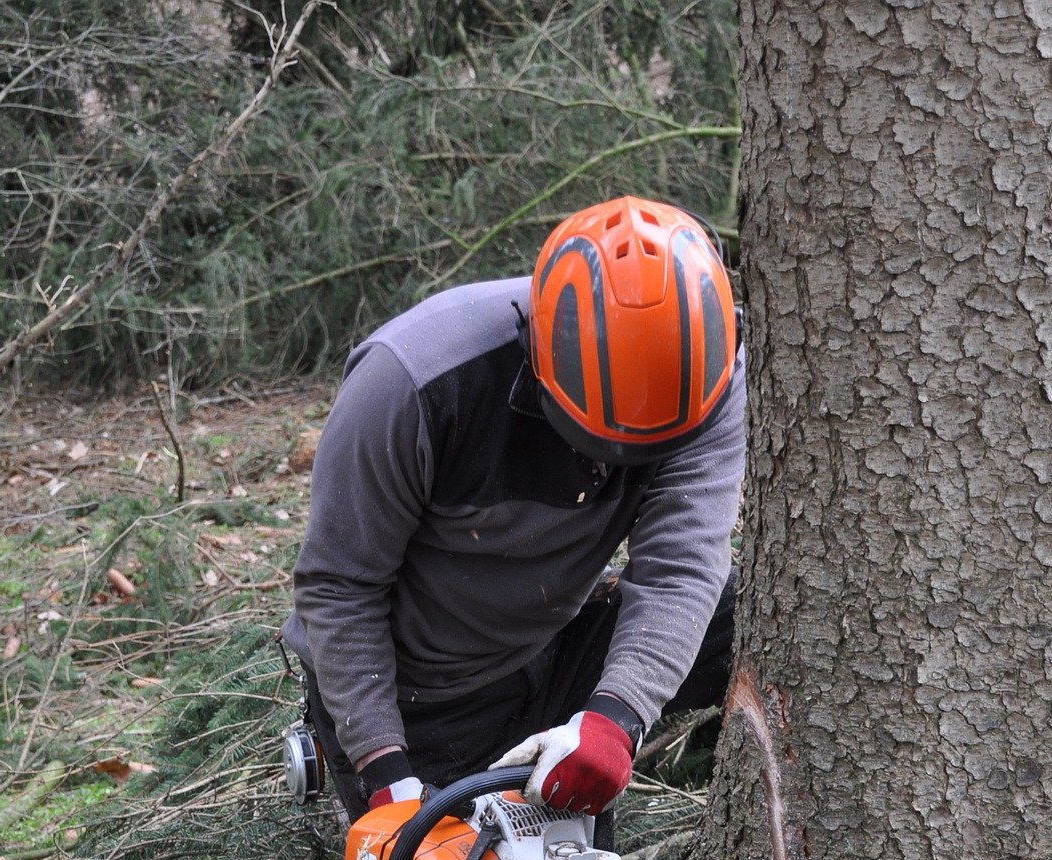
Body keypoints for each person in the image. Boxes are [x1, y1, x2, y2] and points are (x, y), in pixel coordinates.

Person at [281, 195, 744, 822]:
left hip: (556, 636)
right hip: (420, 688)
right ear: (539, 352)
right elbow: (340, 585)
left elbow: (680, 565)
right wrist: (385, 769)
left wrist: (616, 718)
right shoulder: (415, 382)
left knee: (755, 616)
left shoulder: (708, 370)